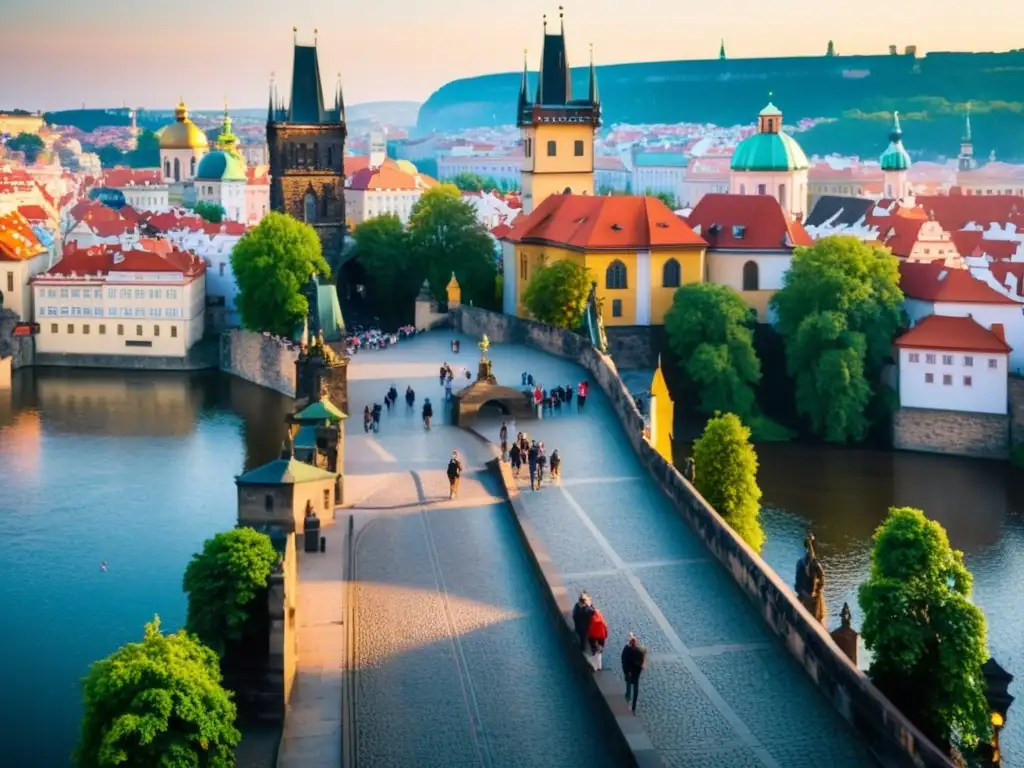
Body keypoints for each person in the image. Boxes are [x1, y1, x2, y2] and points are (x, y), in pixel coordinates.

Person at [621, 634, 647, 713]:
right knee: (635, 690)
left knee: (629, 689)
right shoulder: (636, 652)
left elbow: (623, 659)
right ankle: (633, 707)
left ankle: (628, 702)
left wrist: (626, 670)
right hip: (634, 674)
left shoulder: (629, 649)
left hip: (630, 673)